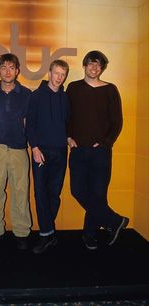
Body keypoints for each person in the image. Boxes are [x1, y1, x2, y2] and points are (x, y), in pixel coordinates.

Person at [66, 50, 129, 250]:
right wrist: (68, 137)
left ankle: (90, 234)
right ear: (84, 66)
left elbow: (117, 121)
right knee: (78, 190)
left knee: (98, 194)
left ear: (102, 68)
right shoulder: (73, 88)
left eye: (98, 65)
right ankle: (114, 221)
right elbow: (66, 116)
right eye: (91, 64)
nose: (94, 68)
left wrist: (105, 142)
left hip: (101, 152)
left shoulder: (110, 89)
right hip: (78, 151)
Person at [0, 53, 32, 250]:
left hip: (19, 149)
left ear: (17, 71)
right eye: (4, 67)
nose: (8, 71)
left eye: (12, 68)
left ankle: (21, 232)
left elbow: (28, 121)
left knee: (20, 192)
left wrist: (21, 138)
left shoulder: (27, 94)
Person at [26, 59, 70, 254]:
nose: (59, 78)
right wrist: (34, 148)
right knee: (40, 193)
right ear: (49, 73)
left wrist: (69, 137)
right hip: (41, 151)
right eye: (56, 73)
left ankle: (48, 233)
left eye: (63, 74)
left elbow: (68, 122)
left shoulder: (65, 98)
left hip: (61, 151)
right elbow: (30, 125)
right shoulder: (36, 96)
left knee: (54, 193)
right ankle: (46, 233)